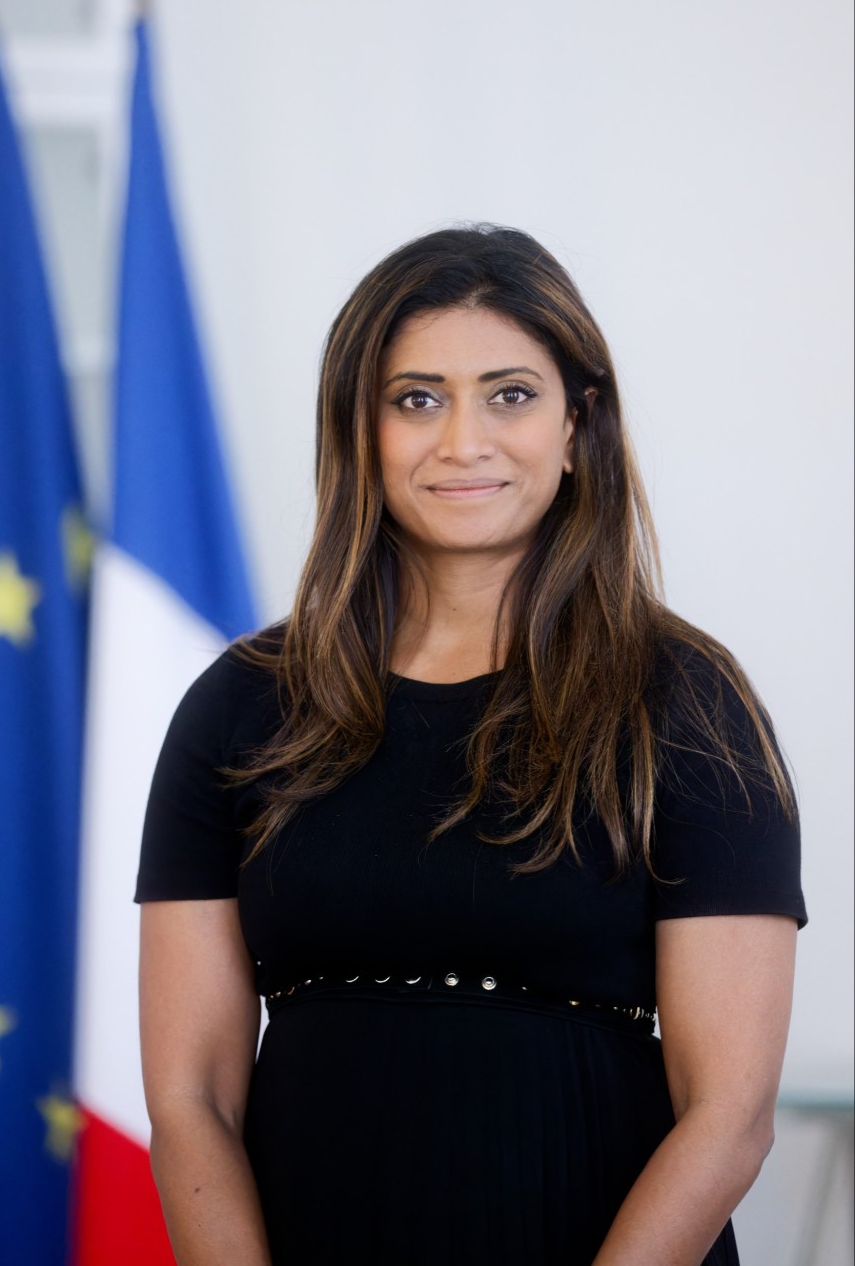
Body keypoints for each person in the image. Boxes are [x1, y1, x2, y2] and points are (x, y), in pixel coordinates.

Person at [134, 223, 807, 1266]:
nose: (462, 441)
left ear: (577, 425)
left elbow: (729, 1116)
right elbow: (190, 1100)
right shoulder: (241, 706)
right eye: (415, 399)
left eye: (510, 395)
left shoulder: (687, 702)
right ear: (358, 430)